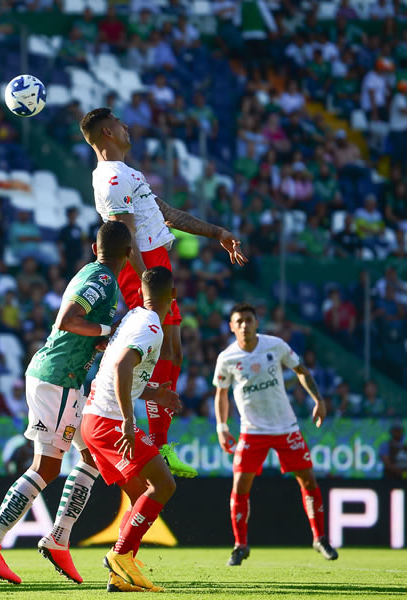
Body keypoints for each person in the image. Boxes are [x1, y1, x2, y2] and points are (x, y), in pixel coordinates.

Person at [0, 222, 181, 588]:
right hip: (58, 377)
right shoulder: (102, 279)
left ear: (92, 245)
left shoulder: (94, 274)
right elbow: (66, 321)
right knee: (47, 467)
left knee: (88, 458)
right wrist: (105, 333)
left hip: (64, 378)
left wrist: (103, 343)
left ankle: (59, 538)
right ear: (129, 253)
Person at [80, 107, 248, 479]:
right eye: (121, 125)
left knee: (173, 349)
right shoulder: (110, 178)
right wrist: (147, 281)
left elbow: (168, 214)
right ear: (108, 132)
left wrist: (217, 232)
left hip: (156, 264)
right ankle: (145, 435)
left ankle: (159, 440)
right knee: (154, 348)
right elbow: (125, 239)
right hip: (141, 267)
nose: (127, 128)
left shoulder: (129, 174)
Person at [213, 302, 338, 565]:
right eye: (240, 321)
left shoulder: (275, 345)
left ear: (257, 323)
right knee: (240, 486)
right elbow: (221, 393)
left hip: (286, 427)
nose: (245, 325)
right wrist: (222, 427)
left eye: (249, 319)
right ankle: (240, 545)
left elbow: (301, 370)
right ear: (232, 327)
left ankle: (320, 538)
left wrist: (318, 399)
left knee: (309, 481)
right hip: (252, 430)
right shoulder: (227, 358)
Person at [84, 266, 181, 592]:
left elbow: (119, 368)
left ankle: (120, 576)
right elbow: (123, 364)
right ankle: (120, 555)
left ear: (141, 292)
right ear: (174, 297)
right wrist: (128, 419)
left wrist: (155, 392)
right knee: (164, 485)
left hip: (93, 417)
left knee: (142, 494)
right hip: (110, 420)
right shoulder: (153, 327)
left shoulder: (133, 316)